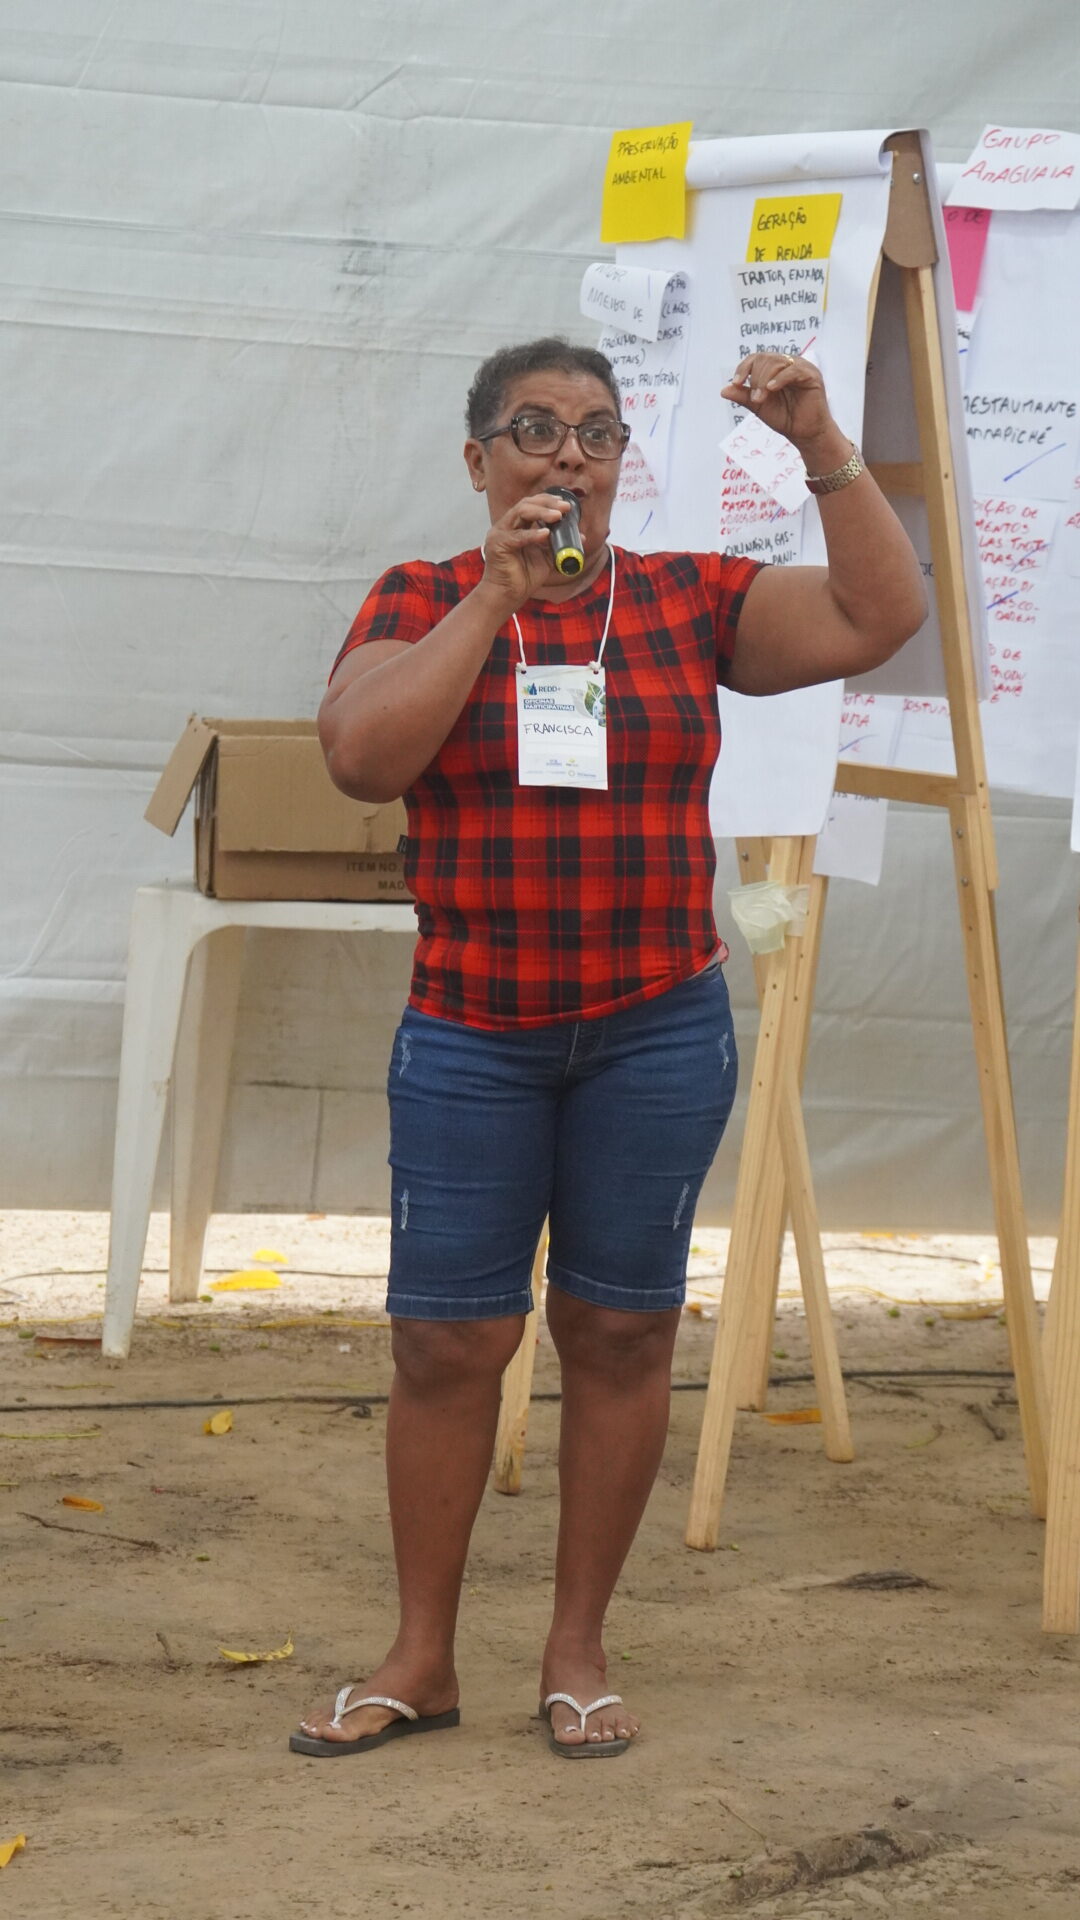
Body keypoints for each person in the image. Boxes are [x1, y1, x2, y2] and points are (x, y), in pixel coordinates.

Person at [290, 336, 926, 1762]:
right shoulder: (419, 597)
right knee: (448, 1341)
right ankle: (421, 1656)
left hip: (652, 1030)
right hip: (473, 1029)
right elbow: (361, 758)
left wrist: (822, 445)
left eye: (597, 432)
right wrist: (496, 598)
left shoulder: (689, 599)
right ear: (479, 460)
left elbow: (881, 615)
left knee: (622, 1330)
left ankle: (576, 1651)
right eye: (535, 429)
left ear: (624, 463)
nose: (569, 454)